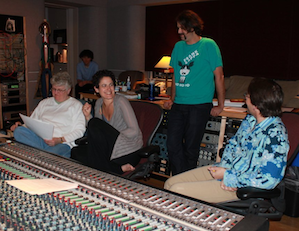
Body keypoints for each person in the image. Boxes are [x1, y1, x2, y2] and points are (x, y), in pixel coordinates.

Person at [164, 78, 289, 203]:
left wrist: (229, 177)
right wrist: (224, 170)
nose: (245, 98)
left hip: (242, 185)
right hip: (227, 171)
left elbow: (269, 179)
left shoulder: (275, 135)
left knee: (177, 190)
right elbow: (232, 146)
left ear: (256, 104)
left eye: (248, 96)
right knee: (169, 184)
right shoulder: (250, 120)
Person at [163, 10, 225, 175]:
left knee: (191, 147)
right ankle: (180, 178)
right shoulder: (178, 47)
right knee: (172, 144)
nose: (178, 32)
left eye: (181, 28)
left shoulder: (208, 45)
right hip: (179, 105)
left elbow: (219, 76)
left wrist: (220, 104)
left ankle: (184, 182)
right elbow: (176, 74)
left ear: (191, 27)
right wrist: (172, 98)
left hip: (199, 105)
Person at [71, 70, 143, 174]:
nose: (108, 89)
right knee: (76, 152)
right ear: (96, 89)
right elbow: (98, 133)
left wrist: (110, 137)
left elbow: (134, 131)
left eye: (111, 85)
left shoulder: (121, 101)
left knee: (94, 124)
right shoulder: (99, 103)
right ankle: (118, 169)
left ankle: (109, 169)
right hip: (109, 151)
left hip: (128, 149)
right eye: (104, 86)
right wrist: (88, 116)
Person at [11, 72, 86, 158]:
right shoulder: (44, 103)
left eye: (60, 90)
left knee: (54, 153)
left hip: (61, 144)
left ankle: (39, 154)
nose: (56, 93)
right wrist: (22, 125)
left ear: (68, 90)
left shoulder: (76, 106)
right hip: (40, 139)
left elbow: (80, 131)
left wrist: (60, 140)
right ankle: (42, 155)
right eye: (54, 89)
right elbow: (32, 122)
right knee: (19, 131)